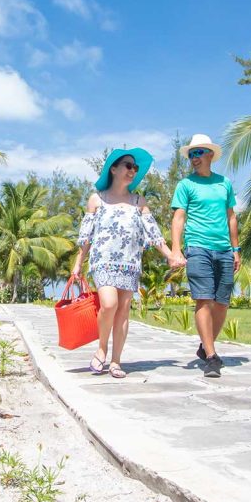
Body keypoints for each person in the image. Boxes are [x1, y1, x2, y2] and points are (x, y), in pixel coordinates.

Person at [71, 148, 184, 378]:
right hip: (102, 261)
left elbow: (153, 234)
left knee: (123, 310)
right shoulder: (97, 199)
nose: (132, 170)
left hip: (130, 263)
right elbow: (86, 237)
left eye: (135, 167)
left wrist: (170, 254)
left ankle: (116, 361)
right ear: (113, 168)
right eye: (128, 166)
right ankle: (102, 348)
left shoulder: (138, 201)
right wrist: (78, 264)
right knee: (109, 305)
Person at [169, 134, 239, 378]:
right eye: (191, 154)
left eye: (198, 153)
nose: (194, 158)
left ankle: (204, 345)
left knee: (222, 302)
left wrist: (236, 249)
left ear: (210, 155)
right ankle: (211, 356)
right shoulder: (186, 185)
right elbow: (178, 218)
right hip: (197, 247)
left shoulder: (224, 184)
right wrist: (176, 249)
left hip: (224, 250)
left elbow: (231, 216)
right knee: (204, 298)